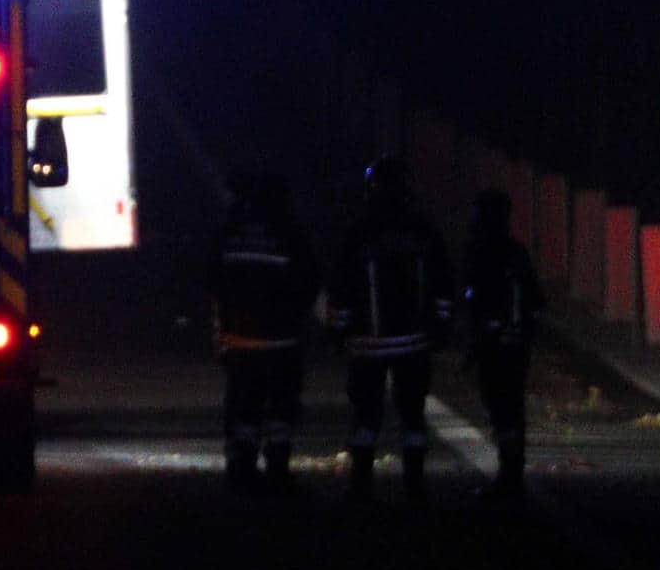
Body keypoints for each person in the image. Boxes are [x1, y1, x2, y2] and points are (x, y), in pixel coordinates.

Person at [325, 156, 456, 499]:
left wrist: (338, 331)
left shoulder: (358, 232)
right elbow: (443, 285)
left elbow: (340, 286)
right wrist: (440, 328)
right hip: (413, 342)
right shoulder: (422, 231)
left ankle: (361, 482)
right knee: (413, 414)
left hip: (367, 343)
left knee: (366, 415)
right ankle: (414, 482)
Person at [209, 171, 317, 492]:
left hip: (241, 338)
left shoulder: (232, 232)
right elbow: (309, 281)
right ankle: (277, 467)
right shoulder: (290, 233)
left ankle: (241, 466)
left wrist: (226, 326)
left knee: (243, 404)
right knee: (281, 406)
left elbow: (213, 279)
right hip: (282, 339)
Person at [462, 187, 545, 500]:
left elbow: (476, 301)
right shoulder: (517, 252)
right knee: (513, 407)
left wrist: (481, 336)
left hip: (494, 345)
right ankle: (513, 472)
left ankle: (509, 476)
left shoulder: (481, 253)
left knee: (500, 408)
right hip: (518, 344)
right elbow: (536, 301)